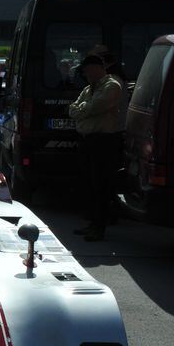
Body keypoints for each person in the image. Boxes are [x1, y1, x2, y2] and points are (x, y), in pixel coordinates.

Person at [68, 54, 123, 242]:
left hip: (104, 142)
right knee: (89, 184)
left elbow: (95, 107)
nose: (86, 74)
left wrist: (81, 109)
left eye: (88, 70)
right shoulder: (88, 88)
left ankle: (99, 227)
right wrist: (82, 109)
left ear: (98, 68)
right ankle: (92, 223)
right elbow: (72, 110)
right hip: (87, 141)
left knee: (101, 185)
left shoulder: (111, 86)